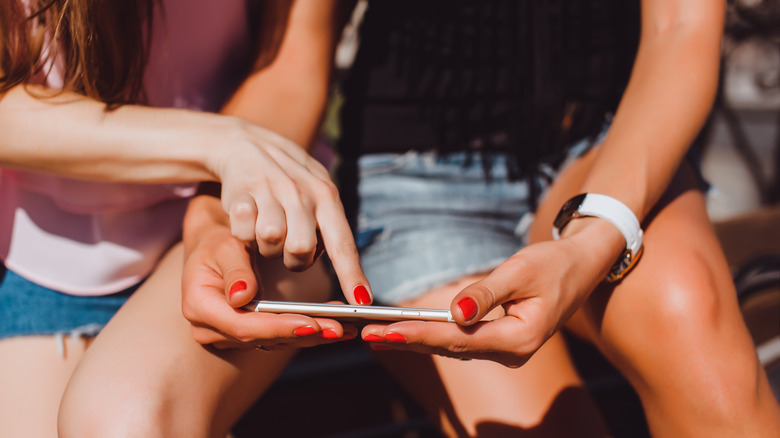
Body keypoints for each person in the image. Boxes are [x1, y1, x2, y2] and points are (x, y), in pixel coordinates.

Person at [187, 0, 780, 436]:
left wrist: (591, 243)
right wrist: (215, 213)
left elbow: (682, 28)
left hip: (610, 150)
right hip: (418, 186)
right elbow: (295, 63)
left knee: (696, 331)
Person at [0, 1, 371, 437]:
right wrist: (223, 143)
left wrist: (216, 214)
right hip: (56, 249)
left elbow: (291, 65)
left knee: (128, 419)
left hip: (245, 219)